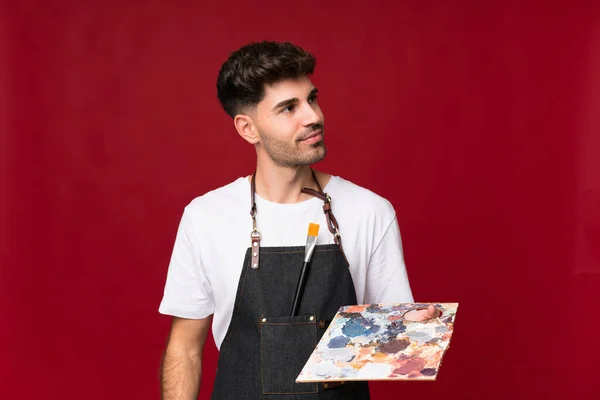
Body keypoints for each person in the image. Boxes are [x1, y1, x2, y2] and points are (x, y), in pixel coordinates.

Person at [158, 41, 440, 400]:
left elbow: (395, 343)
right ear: (248, 128)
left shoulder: (370, 211)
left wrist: (415, 332)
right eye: (289, 108)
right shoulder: (206, 217)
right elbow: (184, 349)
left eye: (312, 99)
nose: (312, 116)